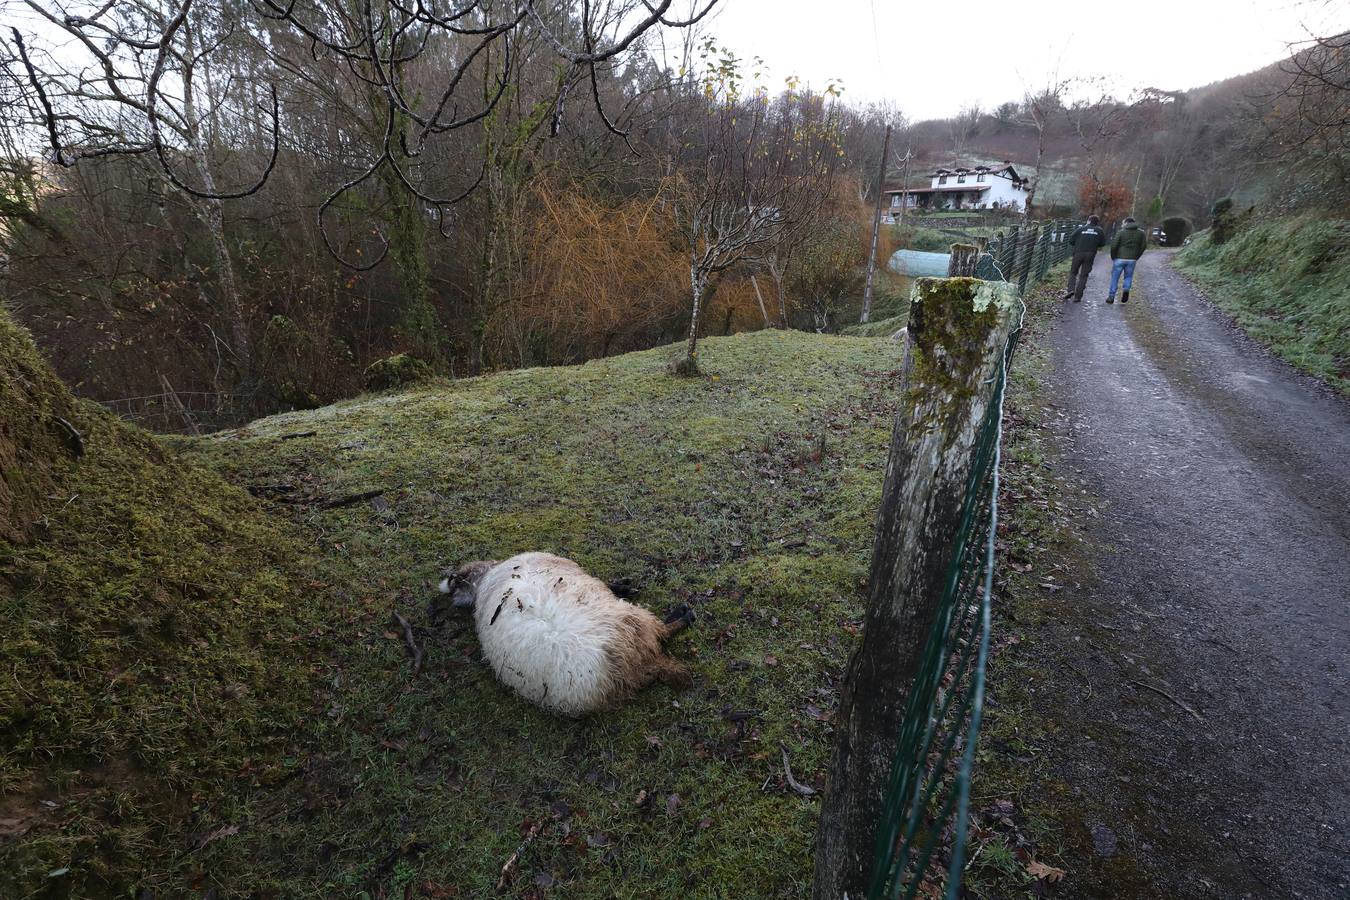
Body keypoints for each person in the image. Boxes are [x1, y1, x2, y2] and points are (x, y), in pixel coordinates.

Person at [1063, 215, 1107, 302]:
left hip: (1078, 253)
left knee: (1073, 272)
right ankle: (1078, 297)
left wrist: (1078, 244)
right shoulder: (1100, 231)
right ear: (1097, 222)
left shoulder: (1081, 229)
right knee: (1084, 275)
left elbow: (1071, 240)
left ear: (1089, 220)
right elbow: (1102, 243)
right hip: (1091, 254)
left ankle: (1070, 290)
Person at [1107, 217, 1148, 304]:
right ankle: (1126, 289)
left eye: (1123, 223)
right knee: (1128, 276)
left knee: (1115, 277)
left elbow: (1114, 245)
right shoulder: (1141, 233)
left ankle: (1111, 296)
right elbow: (1143, 246)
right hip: (1132, 259)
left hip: (1119, 258)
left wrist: (1113, 256)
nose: (1122, 225)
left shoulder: (1121, 232)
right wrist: (1137, 256)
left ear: (1126, 223)